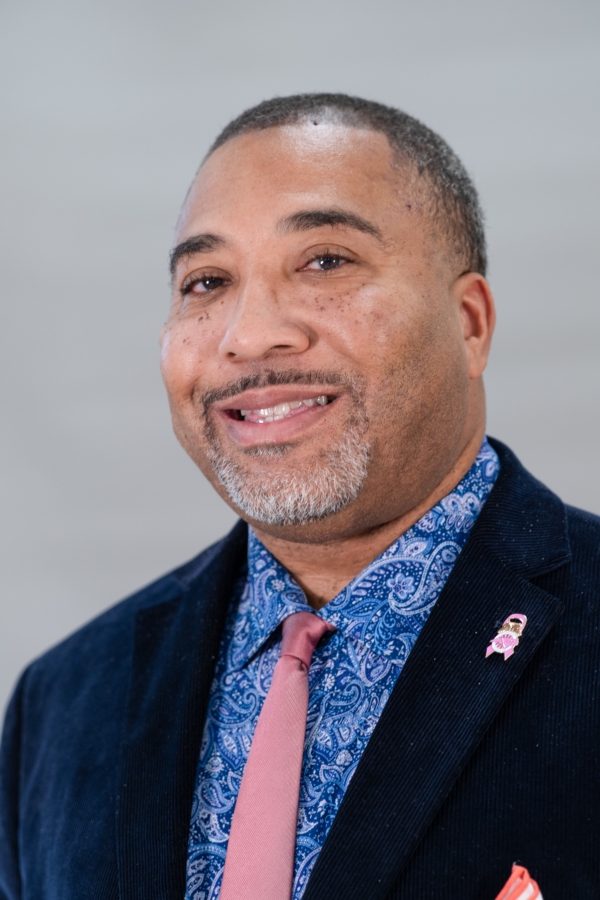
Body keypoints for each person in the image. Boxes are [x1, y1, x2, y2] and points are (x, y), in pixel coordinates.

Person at [0, 94, 598, 900]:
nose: (249, 336)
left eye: (325, 262)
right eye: (206, 281)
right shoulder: (64, 703)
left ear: (469, 323)